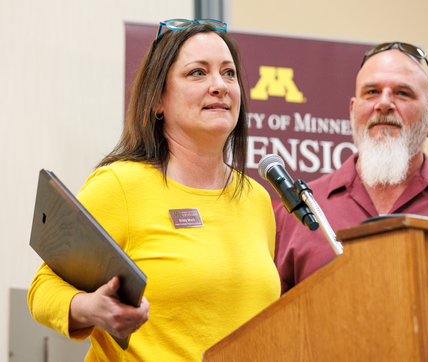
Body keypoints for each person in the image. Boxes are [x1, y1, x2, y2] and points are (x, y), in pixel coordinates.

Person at [28, 19, 280, 361]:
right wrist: (90, 307)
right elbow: (43, 287)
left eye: (229, 73)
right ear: (158, 100)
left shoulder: (257, 199)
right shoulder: (120, 186)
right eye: (198, 73)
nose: (220, 85)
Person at [275, 42, 428, 294]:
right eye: (371, 92)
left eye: (403, 93)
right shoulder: (297, 212)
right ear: (352, 111)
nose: (384, 104)